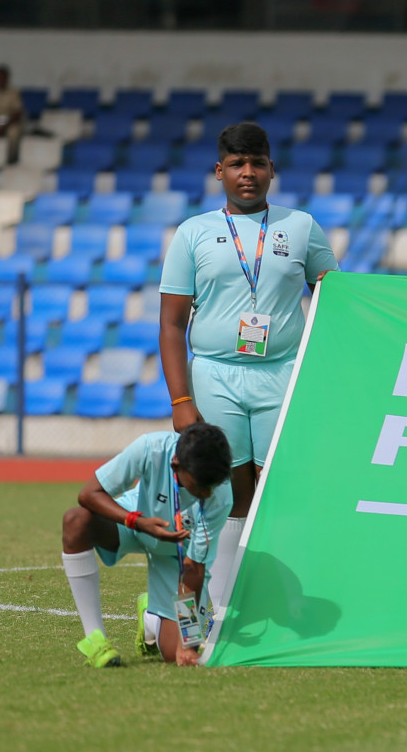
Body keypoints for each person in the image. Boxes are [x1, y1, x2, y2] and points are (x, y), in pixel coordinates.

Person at [158, 122, 339, 621]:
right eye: (237, 164)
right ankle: (220, 607)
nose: (248, 173)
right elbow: (171, 325)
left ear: (272, 170)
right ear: (219, 171)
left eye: (257, 163)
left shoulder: (301, 226)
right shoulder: (192, 233)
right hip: (215, 374)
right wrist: (181, 400)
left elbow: (336, 301)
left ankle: (272, 595)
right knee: (228, 487)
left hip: (283, 372)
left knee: (281, 482)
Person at [60, 423, 233, 667]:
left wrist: (188, 644)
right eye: (198, 487)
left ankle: (150, 617)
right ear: (176, 465)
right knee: (76, 520)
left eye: (211, 487)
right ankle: (95, 640)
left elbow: (193, 568)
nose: (205, 494)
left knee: (177, 656)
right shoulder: (150, 448)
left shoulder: (221, 495)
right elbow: (89, 494)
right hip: (133, 521)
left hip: (177, 556)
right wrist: (137, 522)